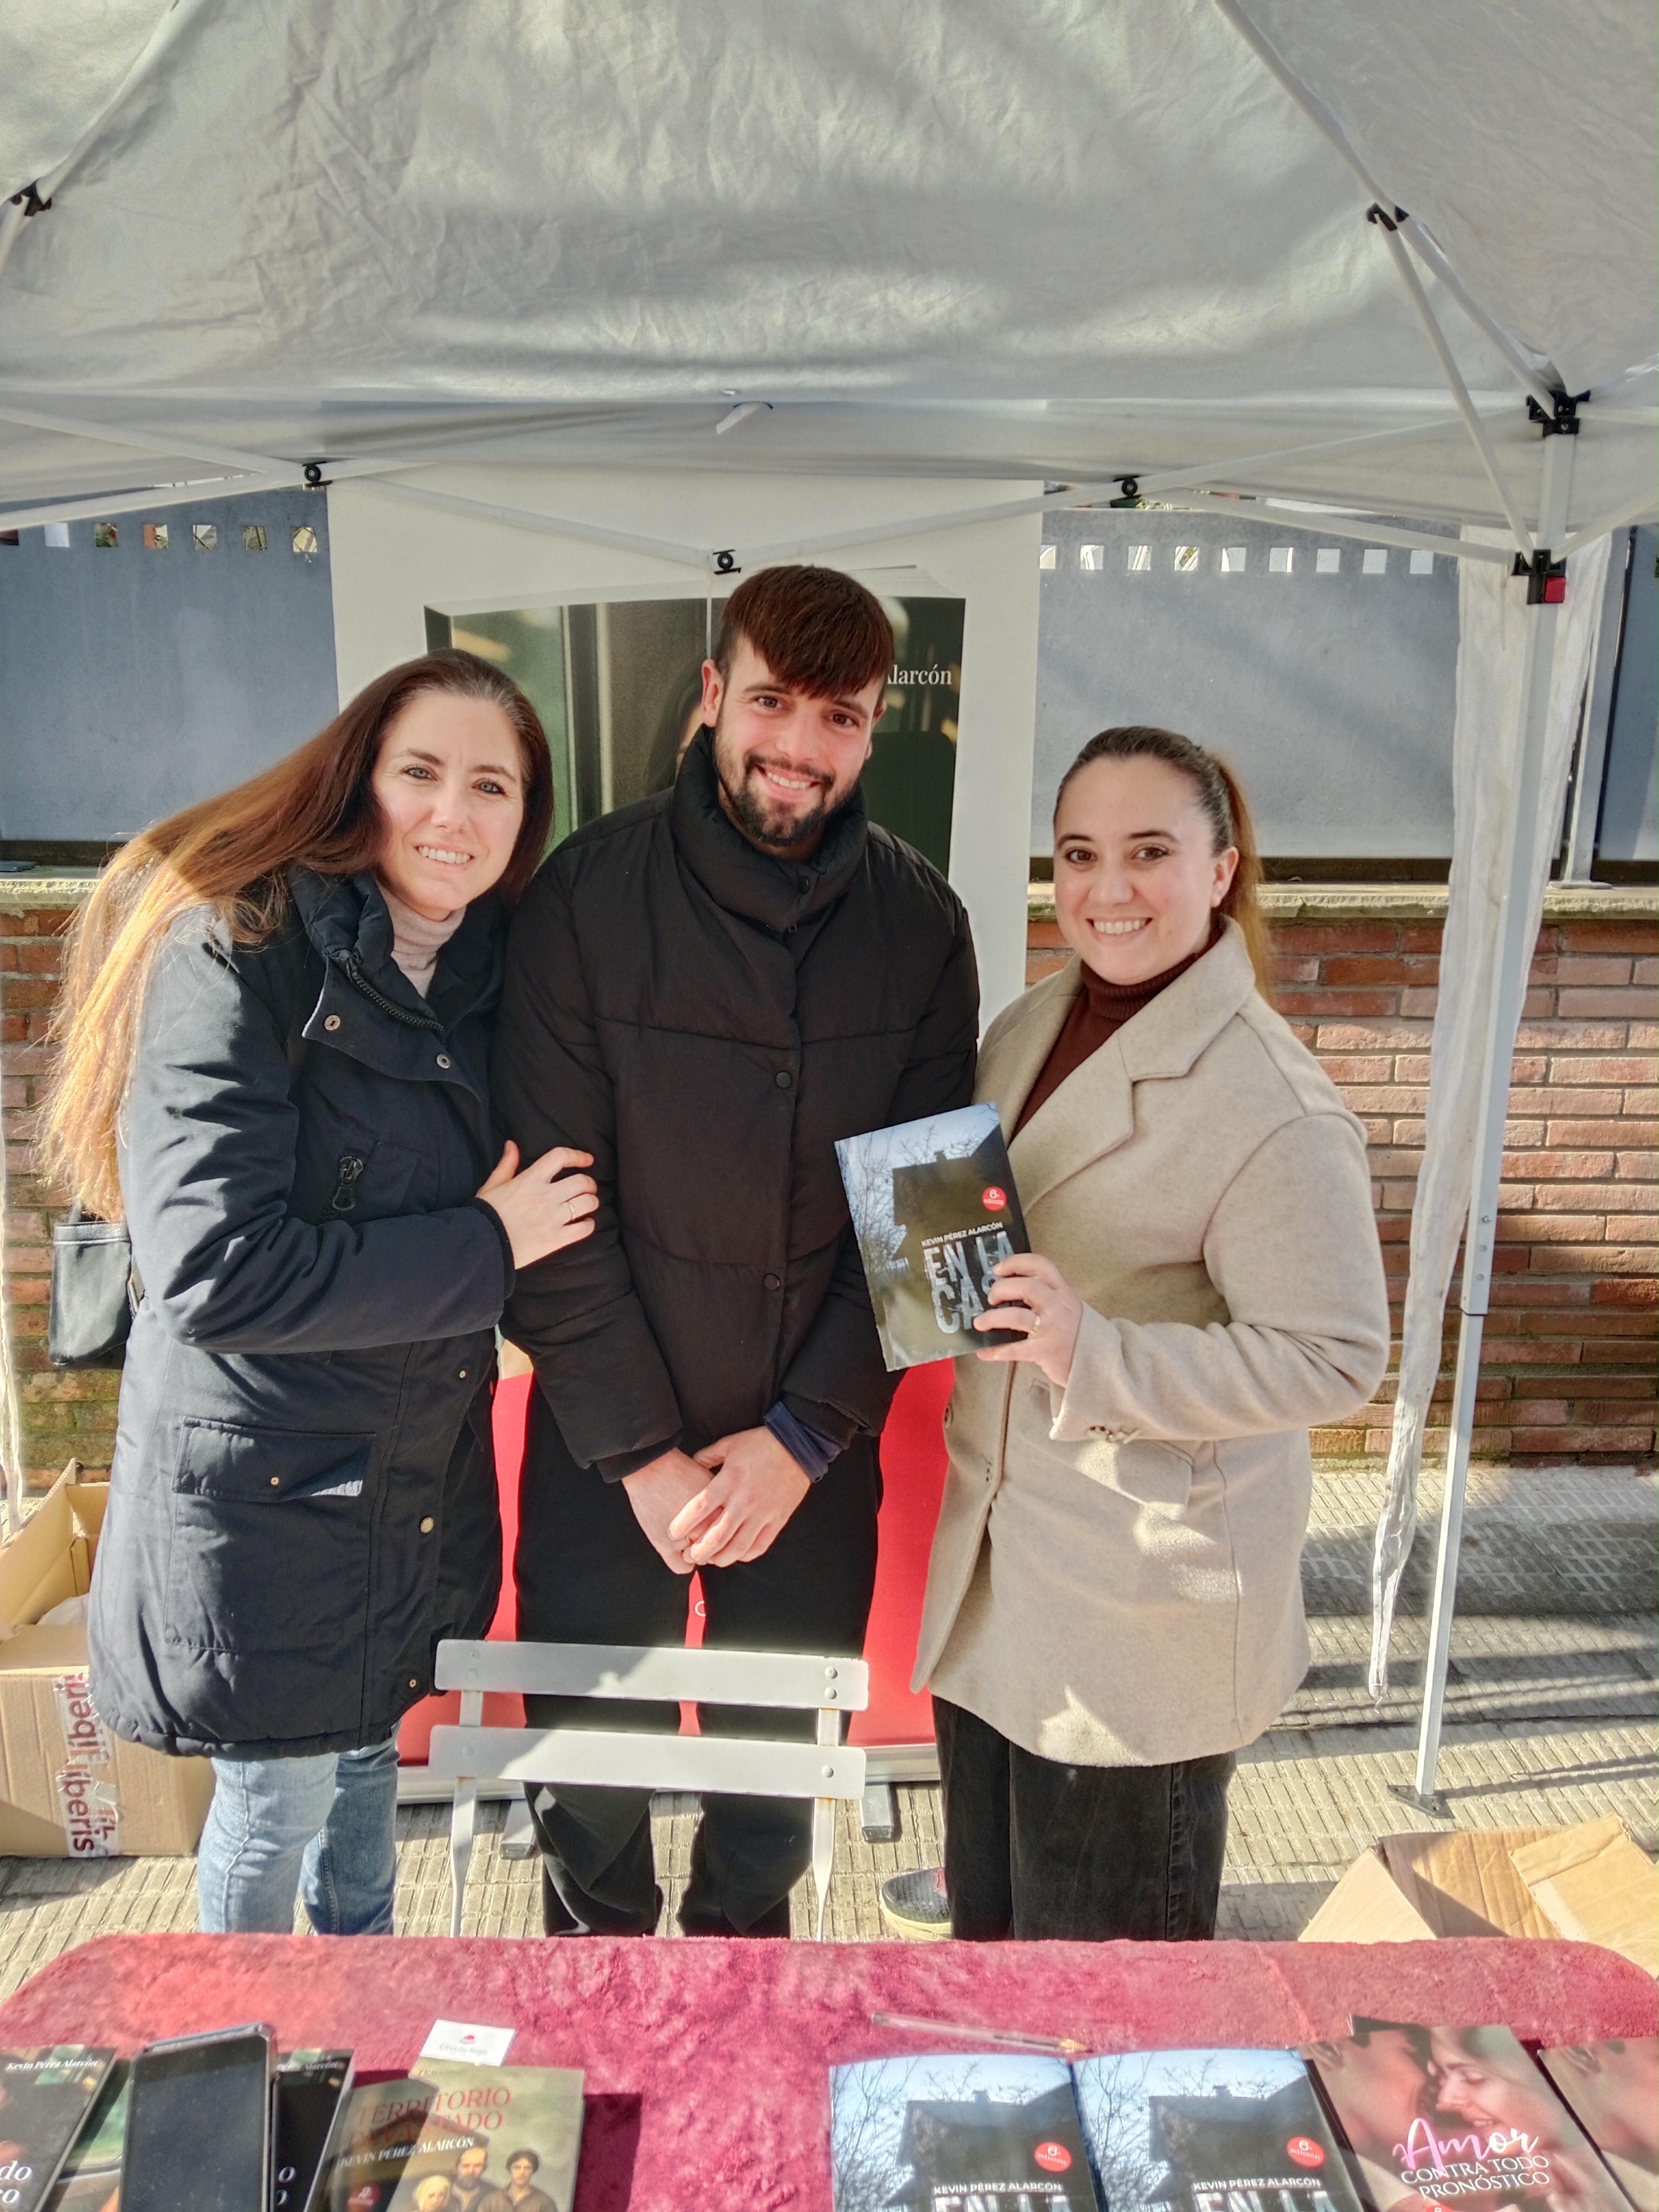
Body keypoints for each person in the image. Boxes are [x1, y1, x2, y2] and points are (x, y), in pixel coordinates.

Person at [48, 650, 599, 1937]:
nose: (453, 814)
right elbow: (215, 1268)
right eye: (421, 773)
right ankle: (239, 2032)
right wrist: (489, 1243)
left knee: (363, 1776)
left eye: (492, 786)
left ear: (527, 818)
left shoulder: (491, 972)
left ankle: (364, 2010)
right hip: (265, 1497)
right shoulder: (237, 947)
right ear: (360, 781)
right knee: (277, 1804)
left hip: (403, 1480)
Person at [493, 563, 979, 1937]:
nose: (799, 745)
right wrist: (644, 1455)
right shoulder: (584, 897)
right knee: (585, 1787)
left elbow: (931, 1234)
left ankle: (746, 1993)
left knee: (773, 1795)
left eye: (839, 716)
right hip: (606, 1451)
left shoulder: (924, 925)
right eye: (772, 701)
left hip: (808, 1456)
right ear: (713, 693)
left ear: (873, 728)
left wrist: (804, 1438)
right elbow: (544, 1207)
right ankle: (599, 1995)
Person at [911, 723, 1390, 1941]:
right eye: (1079, 854)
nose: (1107, 888)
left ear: (1220, 870)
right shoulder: (1031, 1022)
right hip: (995, 1579)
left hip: (1137, 1610)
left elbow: (1336, 1358)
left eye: (1148, 852)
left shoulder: (1274, 1103)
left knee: (1108, 2010)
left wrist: (1095, 1350)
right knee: (992, 1968)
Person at [478, 2149, 556, 2212]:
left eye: (527, 2168)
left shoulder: (545, 2203)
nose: (522, 2172)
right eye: (517, 2167)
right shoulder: (491, 2201)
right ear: (510, 2170)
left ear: (533, 2171)